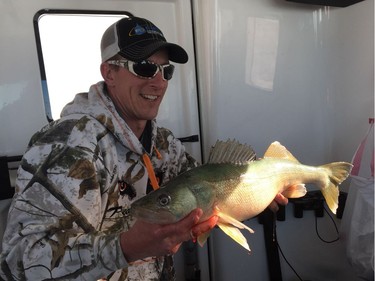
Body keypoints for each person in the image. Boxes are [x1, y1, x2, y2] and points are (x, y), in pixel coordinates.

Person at [0, 16, 287, 280]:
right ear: (109, 72)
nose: (159, 82)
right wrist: (124, 247)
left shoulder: (162, 142)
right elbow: (18, 262)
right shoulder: (69, 144)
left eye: (166, 70)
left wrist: (258, 191)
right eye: (145, 67)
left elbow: (210, 189)